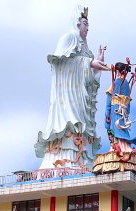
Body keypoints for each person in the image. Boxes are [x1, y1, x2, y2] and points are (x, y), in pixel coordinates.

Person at [35, 5, 109, 170]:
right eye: (84, 23)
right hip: (67, 95)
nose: (87, 28)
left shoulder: (86, 49)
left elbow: (89, 78)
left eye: (88, 24)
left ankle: (82, 157)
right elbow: (59, 64)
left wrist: (95, 66)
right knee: (72, 123)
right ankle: (65, 156)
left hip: (79, 97)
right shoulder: (68, 39)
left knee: (82, 124)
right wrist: (88, 62)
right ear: (77, 23)